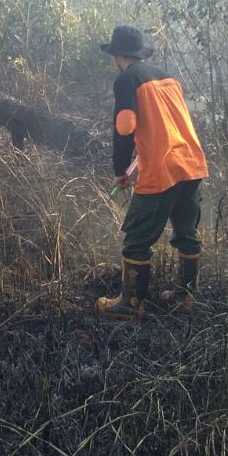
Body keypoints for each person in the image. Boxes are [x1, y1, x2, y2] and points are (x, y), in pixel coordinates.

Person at [96, 26, 208, 320]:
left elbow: (124, 128)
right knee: (187, 232)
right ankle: (187, 298)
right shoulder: (167, 77)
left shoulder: (125, 80)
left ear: (118, 56)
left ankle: (131, 305)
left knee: (136, 238)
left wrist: (120, 170)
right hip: (192, 162)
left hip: (162, 169)